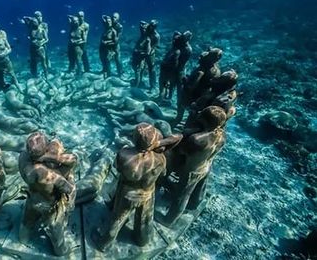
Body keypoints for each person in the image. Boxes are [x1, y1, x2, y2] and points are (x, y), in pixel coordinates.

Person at [92, 123, 182, 251]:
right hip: (147, 192)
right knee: (144, 219)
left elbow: (117, 168)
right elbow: (178, 138)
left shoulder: (125, 154)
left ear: (134, 139)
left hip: (128, 194)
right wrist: (156, 145)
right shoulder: (160, 158)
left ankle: (104, 244)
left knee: (117, 219)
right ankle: (141, 240)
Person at [157, 106, 226, 227]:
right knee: (194, 190)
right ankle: (195, 202)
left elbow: (181, 151)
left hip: (191, 171)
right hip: (205, 167)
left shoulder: (197, 139)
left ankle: (168, 220)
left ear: (204, 120)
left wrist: (183, 134)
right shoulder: (221, 135)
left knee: (182, 196)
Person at [19, 133, 77, 256]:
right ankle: (61, 251)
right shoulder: (48, 174)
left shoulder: (23, 157)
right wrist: (69, 174)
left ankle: (22, 239)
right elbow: (68, 188)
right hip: (49, 205)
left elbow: (32, 173)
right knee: (56, 232)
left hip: (33, 198)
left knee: (27, 221)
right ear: (45, 150)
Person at [172, 47, 223, 127]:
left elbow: (192, 86)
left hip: (193, 94)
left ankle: (177, 121)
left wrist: (185, 82)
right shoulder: (217, 69)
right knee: (194, 112)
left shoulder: (201, 71)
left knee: (182, 108)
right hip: (203, 95)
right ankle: (187, 123)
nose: (199, 59)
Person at [159, 31, 193, 100]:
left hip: (179, 70)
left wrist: (176, 70)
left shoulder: (187, 49)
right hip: (169, 68)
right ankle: (163, 97)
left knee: (177, 86)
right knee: (165, 83)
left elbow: (182, 61)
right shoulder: (178, 42)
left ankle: (175, 101)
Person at [132, 20, 159, 90]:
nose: (150, 27)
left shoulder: (156, 36)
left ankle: (153, 85)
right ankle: (138, 82)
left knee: (151, 69)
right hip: (141, 51)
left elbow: (153, 47)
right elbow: (141, 25)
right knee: (139, 67)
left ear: (155, 27)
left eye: (152, 26)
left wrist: (146, 52)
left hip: (150, 54)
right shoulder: (147, 29)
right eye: (150, 25)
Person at [111, 12, 124, 76]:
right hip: (109, 44)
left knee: (118, 59)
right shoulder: (109, 24)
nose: (113, 18)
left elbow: (118, 38)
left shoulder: (119, 26)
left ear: (118, 19)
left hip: (115, 45)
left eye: (115, 17)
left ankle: (120, 72)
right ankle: (106, 70)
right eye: (113, 17)